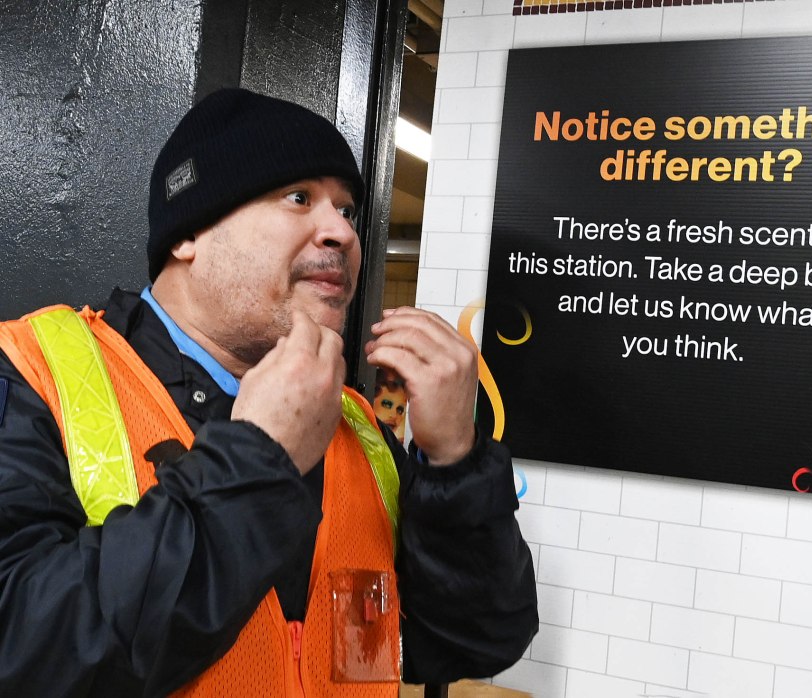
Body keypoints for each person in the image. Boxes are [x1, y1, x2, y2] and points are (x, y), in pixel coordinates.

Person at [0, 88, 537, 697]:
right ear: (189, 233)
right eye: (298, 197)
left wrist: (454, 463)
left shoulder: (357, 425)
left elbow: (472, 641)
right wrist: (260, 458)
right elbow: (22, 654)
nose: (340, 230)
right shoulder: (32, 375)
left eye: (346, 209)